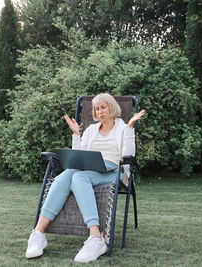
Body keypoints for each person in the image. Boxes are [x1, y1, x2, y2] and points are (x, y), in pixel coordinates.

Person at [26, 93, 145, 263]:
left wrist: (131, 128)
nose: (100, 111)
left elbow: (128, 155)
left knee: (79, 178)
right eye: (97, 108)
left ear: (112, 107)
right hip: (90, 170)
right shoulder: (90, 130)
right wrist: (76, 135)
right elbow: (79, 156)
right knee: (65, 175)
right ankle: (38, 233)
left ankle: (96, 236)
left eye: (103, 107)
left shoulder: (123, 128)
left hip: (113, 171)